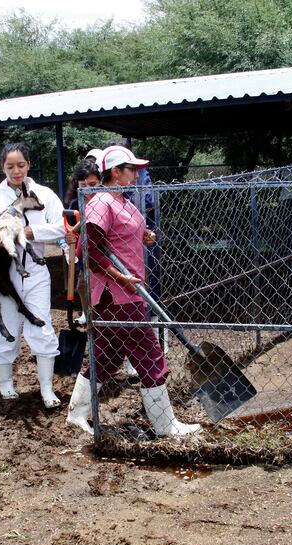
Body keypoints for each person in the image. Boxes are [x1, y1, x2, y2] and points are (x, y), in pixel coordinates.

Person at [66, 145, 201, 438]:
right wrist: (121, 277)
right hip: (117, 295)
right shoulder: (102, 202)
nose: (138, 175)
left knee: (106, 357)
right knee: (150, 355)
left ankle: (76, 414)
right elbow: (87, 250)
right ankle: (165, 425)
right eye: (132, 169)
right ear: (115, 172)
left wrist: (144, 235)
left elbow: (121, 236)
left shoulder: (123, 200)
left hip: (127, 291)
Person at [0, 143, 66, 408]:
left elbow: (61, 226)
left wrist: (31, 233)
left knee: (42, 328)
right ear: (2, 167)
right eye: (10, 166)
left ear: (29, 165)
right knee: (6, 328)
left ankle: (47, 389)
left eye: (21, 165)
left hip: (35, 273)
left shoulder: (44, 194)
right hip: (4, 275)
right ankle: (5, 384)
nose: (16, 171)